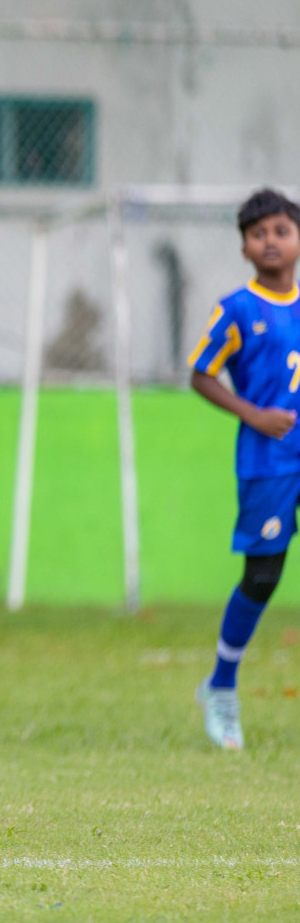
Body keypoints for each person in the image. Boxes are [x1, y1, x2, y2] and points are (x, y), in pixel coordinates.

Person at [188, 188, 300, 751]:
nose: (271, 241)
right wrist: (253, 414)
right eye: (259, 234)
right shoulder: (237, 309)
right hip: (268, 460)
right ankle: (222, 688)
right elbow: (201, 373)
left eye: (281, 230)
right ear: (245, 248)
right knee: (263, 576)